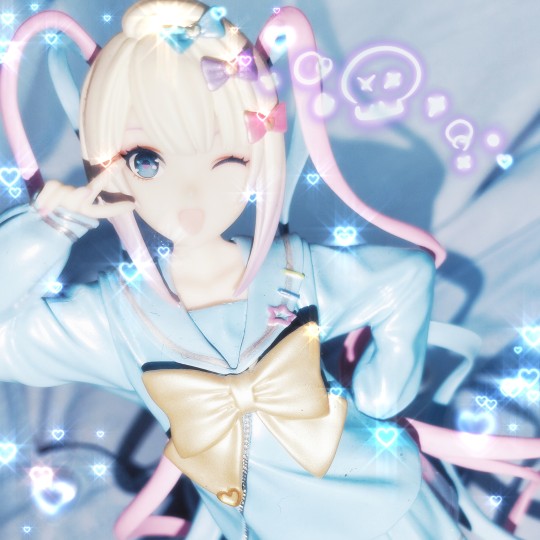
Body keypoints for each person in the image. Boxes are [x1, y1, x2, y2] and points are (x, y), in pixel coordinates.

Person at [1, 1, 538, 538]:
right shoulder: (114, 318)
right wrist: (49, 228)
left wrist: (384, 392)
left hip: (386, 507)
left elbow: (404, 277)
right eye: (147, 160)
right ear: (105, 158)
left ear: (258, 154)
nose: (190, 194)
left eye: (226, 159)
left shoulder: (292, 270)